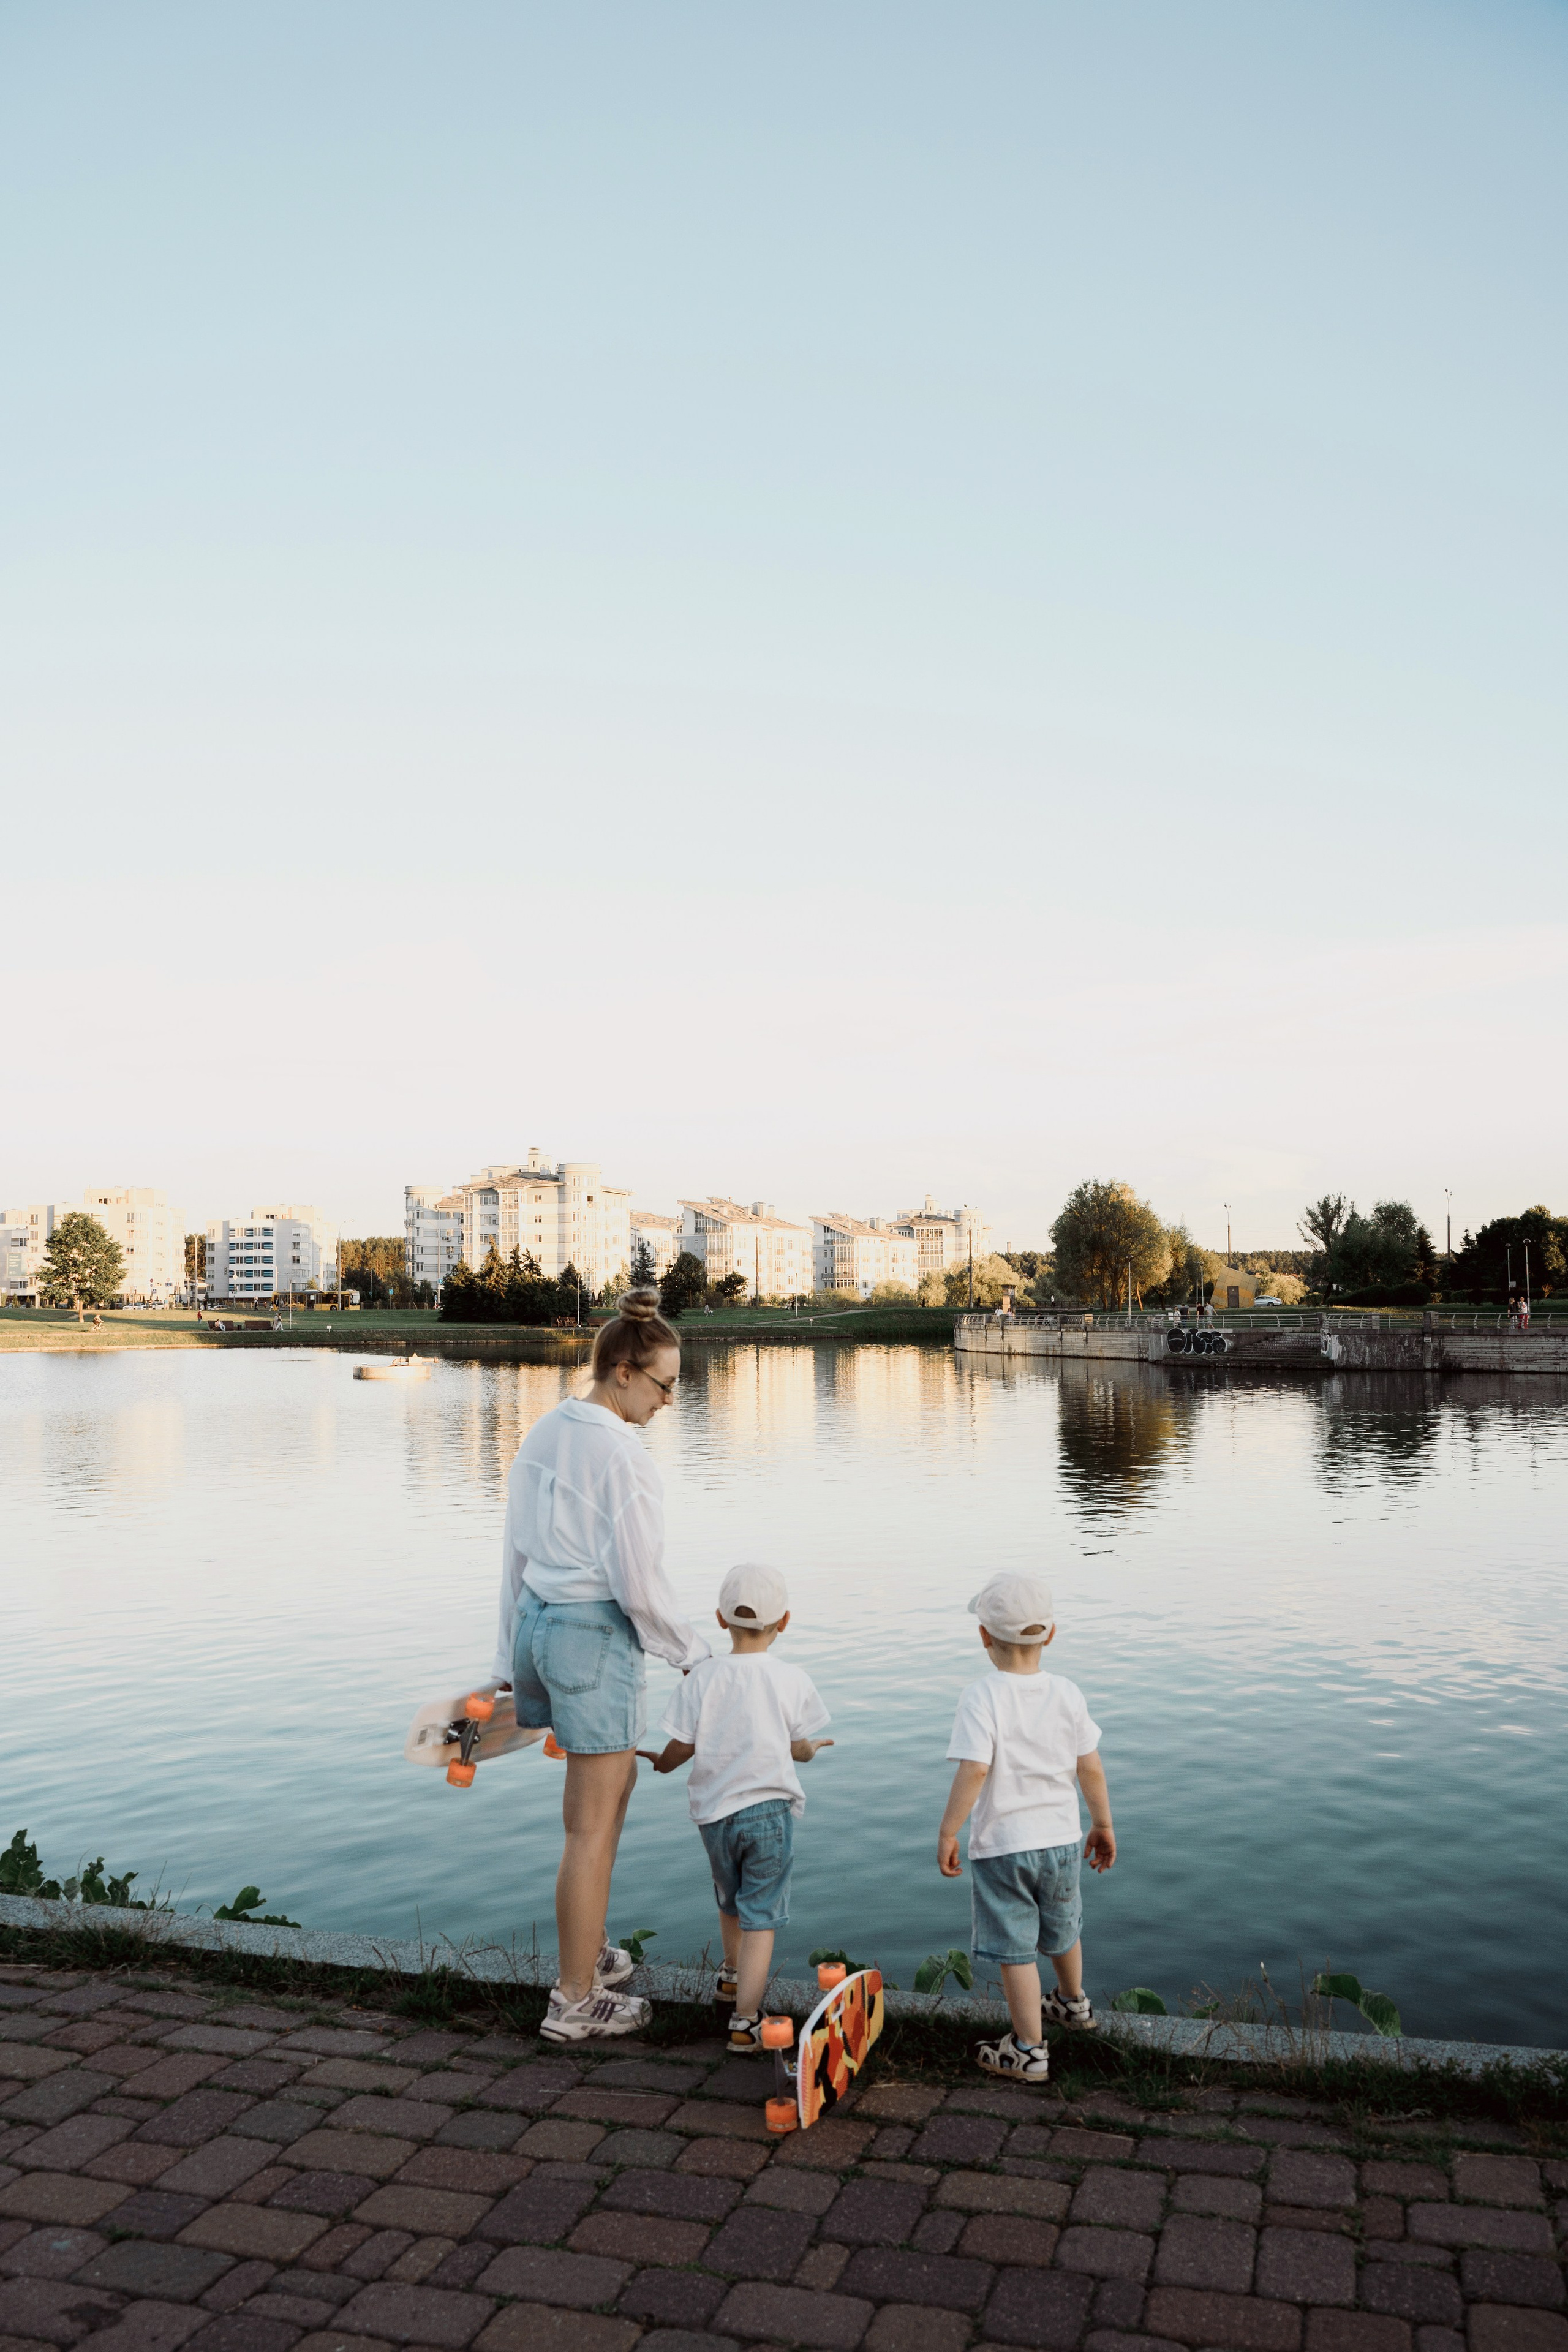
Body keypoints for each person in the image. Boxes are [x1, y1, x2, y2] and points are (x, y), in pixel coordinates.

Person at [494, 1289, 710, 2043]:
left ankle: (590, 1955)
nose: (670, 1400)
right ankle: (575, 1999)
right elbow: (639, 1582)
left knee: (601, 1807)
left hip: (539, 1629)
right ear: (623, 1371)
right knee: (593, 1827)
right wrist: (694, 1655)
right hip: (593, 1637)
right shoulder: (622, 1455)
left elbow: (514, 1556)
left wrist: (503, 1658)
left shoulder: (544, 1431)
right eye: (664, 1385)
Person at [639, 1564, 832, 2052]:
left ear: (721, 1620)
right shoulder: (791, 1679)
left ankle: (730, 1975)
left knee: (730, 1898)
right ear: (784, 1621)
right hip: (769, 1813)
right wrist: (814, 1749)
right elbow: (798, 1747)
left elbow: (681, 1746)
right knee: (761, 1915)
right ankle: (746, 2020)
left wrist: (661, 1765)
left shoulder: (703, 1677)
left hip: (715, 1816)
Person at [936, 1570, 1115, 2082]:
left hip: (1005, 1847)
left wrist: (950, 1831)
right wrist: (1101, 1823)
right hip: (1061, 1841)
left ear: (984, 1636)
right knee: (1063, 1925)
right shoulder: (1067, 1692)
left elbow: (974, 1768)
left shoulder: (981, 1695)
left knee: (1016, 1948)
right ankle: (1073, 2003)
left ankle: (1028, 2049)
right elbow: (1091, 1767)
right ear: (1051, 1634)